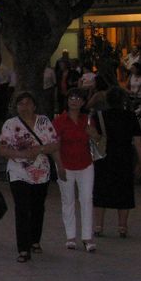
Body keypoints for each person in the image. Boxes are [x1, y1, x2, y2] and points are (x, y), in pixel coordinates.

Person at [0, 91, 59, 262]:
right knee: (22, 208)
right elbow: (1, 149)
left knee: (37, 207)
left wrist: (39, 150)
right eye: (21, 104)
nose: (25, 107)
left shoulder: (44, 121)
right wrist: (21, 154)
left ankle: (35, 240)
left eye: (28, 103)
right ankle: (23, 248)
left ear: (34, 105)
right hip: (18, 171)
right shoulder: (10, 124)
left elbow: (55, 144)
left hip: (41, 171)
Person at [92, 86, 141, 238]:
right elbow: (138, 142)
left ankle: (98, 226)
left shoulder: (99, 116)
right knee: (124, 192)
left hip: (104, 158)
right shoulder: (130, 116)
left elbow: (93, 137)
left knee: (101, 191)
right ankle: (122, 226)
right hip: (124, 157)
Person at [53, 88, 97, 252]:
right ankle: (70, 236)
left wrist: (94, 134)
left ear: (83, 102)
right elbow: (55, 145)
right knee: (68, 200)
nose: (74, 101)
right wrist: (59, 165)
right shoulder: (59, 121)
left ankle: (87, 237)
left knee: (87, 199)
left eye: (78, 98)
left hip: (86, 164)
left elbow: (97, 140)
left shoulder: (87, 120)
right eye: (71, 98)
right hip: (66, 164)